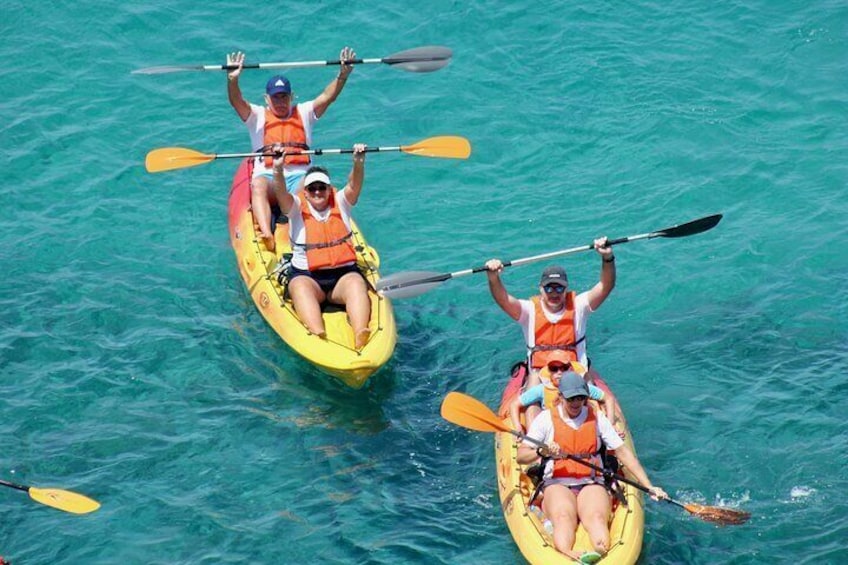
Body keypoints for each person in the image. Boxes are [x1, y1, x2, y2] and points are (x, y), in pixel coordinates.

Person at [516, 372, 667, 563]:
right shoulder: (546, 419)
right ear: (560, 397)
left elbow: (623, 453)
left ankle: (600, 551)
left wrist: (649, 486)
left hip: (591, 481)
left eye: (581, 397)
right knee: (563, 517)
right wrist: (542, 451)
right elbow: (521, 456)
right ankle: (567, 553)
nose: (576, 402)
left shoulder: (597, 419)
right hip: (557, 483)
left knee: (596, 517)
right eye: (571, 398)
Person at [226, 47, 356, 252]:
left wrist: (342, 76)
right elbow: (236, 101)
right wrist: (233, 80)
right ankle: (267, 235)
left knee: (311, 187)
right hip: (269, 177)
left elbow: (327, 97)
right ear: (267, 99)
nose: (280, 102)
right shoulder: (256, 116)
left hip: (298, 179)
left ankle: (300, 229)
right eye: (276, 97)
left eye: (284, 97)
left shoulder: (304, 113)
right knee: (258, 184)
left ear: (291, 96)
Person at [485, 239, 616, 422]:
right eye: (549, 287)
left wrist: (607, 258)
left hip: (574, 369)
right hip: (540, 373)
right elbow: (503, 299)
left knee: (591, 401)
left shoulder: (579, 306)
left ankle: (597, 434)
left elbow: (605, 286)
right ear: (541, 289)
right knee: (533, 395)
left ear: (566, 289)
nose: (554, 293)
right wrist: (493, 278)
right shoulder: (529, 311)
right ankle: (534, 443)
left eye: (559, 288)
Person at [271, 144, 371, 349]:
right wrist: (278, 169)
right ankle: (318, 334)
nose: (318, 191)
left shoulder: (342, 202)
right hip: (308, 278)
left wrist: (358, 162)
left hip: (342, 277)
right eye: (312, 188)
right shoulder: (295, 208)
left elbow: (354, 185)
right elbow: (281, 194)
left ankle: (361, 332)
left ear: (329, 189)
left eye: (322, 187)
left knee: (355, 283)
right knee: (298, 287)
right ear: (305, 192)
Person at [508, 352, 617, 433]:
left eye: (564, 368)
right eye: (554, 369)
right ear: (549, 371)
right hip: (553, 430)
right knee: (531, 407)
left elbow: (608, 399)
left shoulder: (581, 386)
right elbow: (514, 404)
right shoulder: (541, 390)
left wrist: (610, 424)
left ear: (569, 369)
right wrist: (518, 427)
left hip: (579, 426)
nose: (559, 373)